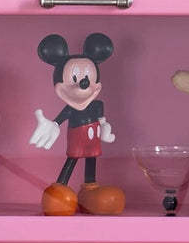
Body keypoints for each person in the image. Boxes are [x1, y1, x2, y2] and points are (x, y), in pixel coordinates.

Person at [28, 32, 125, 215]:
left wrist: (104, 129)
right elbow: (59, 120)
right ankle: (60, 188)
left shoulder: (97, 106)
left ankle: (90, 189)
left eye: (87, 76)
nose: (83, 82)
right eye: (75, 78)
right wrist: (53, 125)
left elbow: (102, 120)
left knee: (92, 159)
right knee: (72, 159)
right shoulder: (70, 109)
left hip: (93, 137)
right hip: (77, 136)